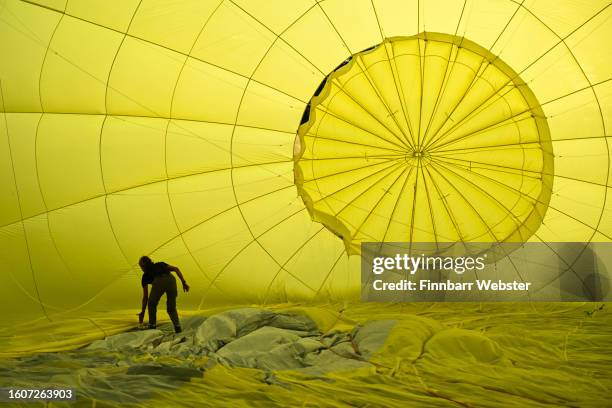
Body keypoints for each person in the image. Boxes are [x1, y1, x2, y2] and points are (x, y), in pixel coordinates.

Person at [137, 256, 189, 333]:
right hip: (171, 281)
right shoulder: (160, 264)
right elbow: (176, 269)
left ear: (143, 266)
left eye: (141, 267)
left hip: (158, 281)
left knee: (152, 303)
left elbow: (145, 297)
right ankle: (177, 327)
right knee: (171, 307)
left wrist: (143, 312)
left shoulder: (145, 276)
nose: (141, 269)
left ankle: (152, 325)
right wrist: (184, 283)